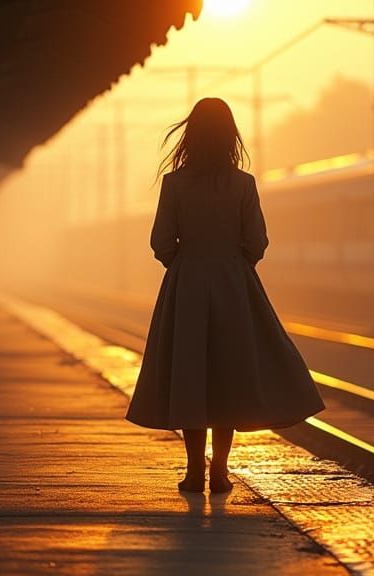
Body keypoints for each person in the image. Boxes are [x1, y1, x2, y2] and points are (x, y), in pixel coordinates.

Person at [125, 98, 325, 494]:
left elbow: (161, 241)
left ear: (190, 135)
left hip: (186, 287)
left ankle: (194, 470)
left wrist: (185, 266)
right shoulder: (243, 184)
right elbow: (258, 242)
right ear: (230, 134)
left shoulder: (174, 183)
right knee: (228, 376)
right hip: (235, 286)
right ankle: (220, 470)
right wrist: (234, 264)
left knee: (191, 375)